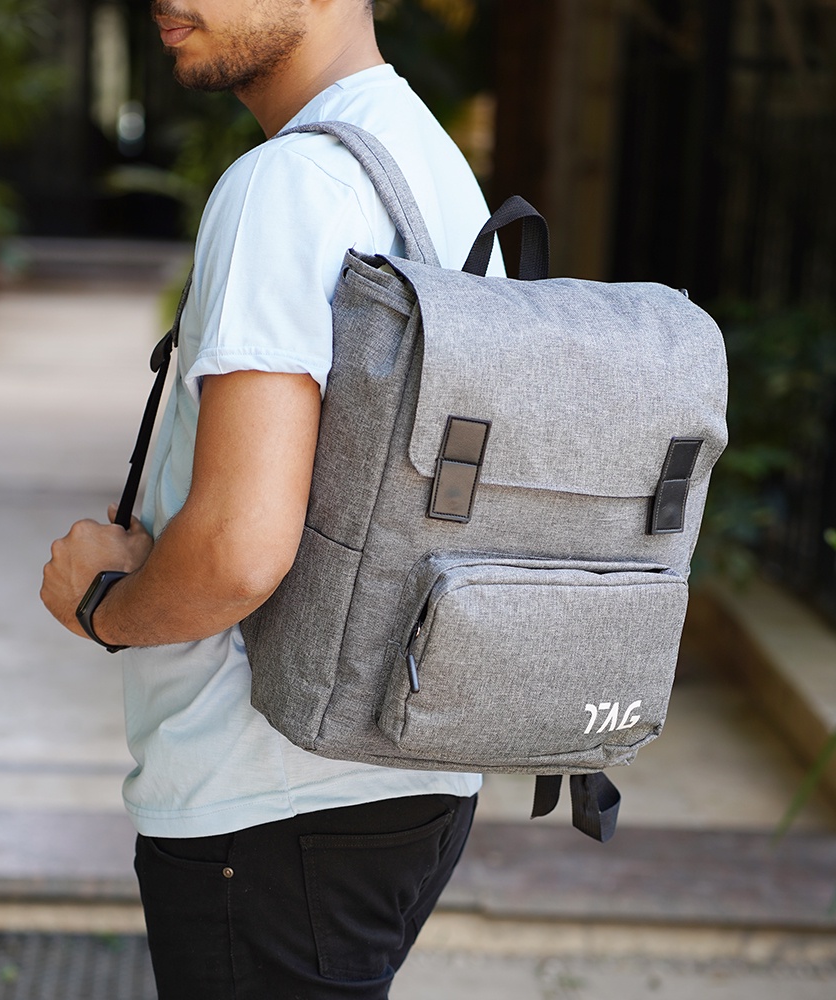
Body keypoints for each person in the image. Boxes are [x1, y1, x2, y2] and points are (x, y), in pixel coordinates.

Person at [41, 1, 501, 996]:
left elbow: (239, 551)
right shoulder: (425, 158)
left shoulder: (287, 184)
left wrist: (104, 606)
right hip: (409, 778)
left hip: (263, 796)